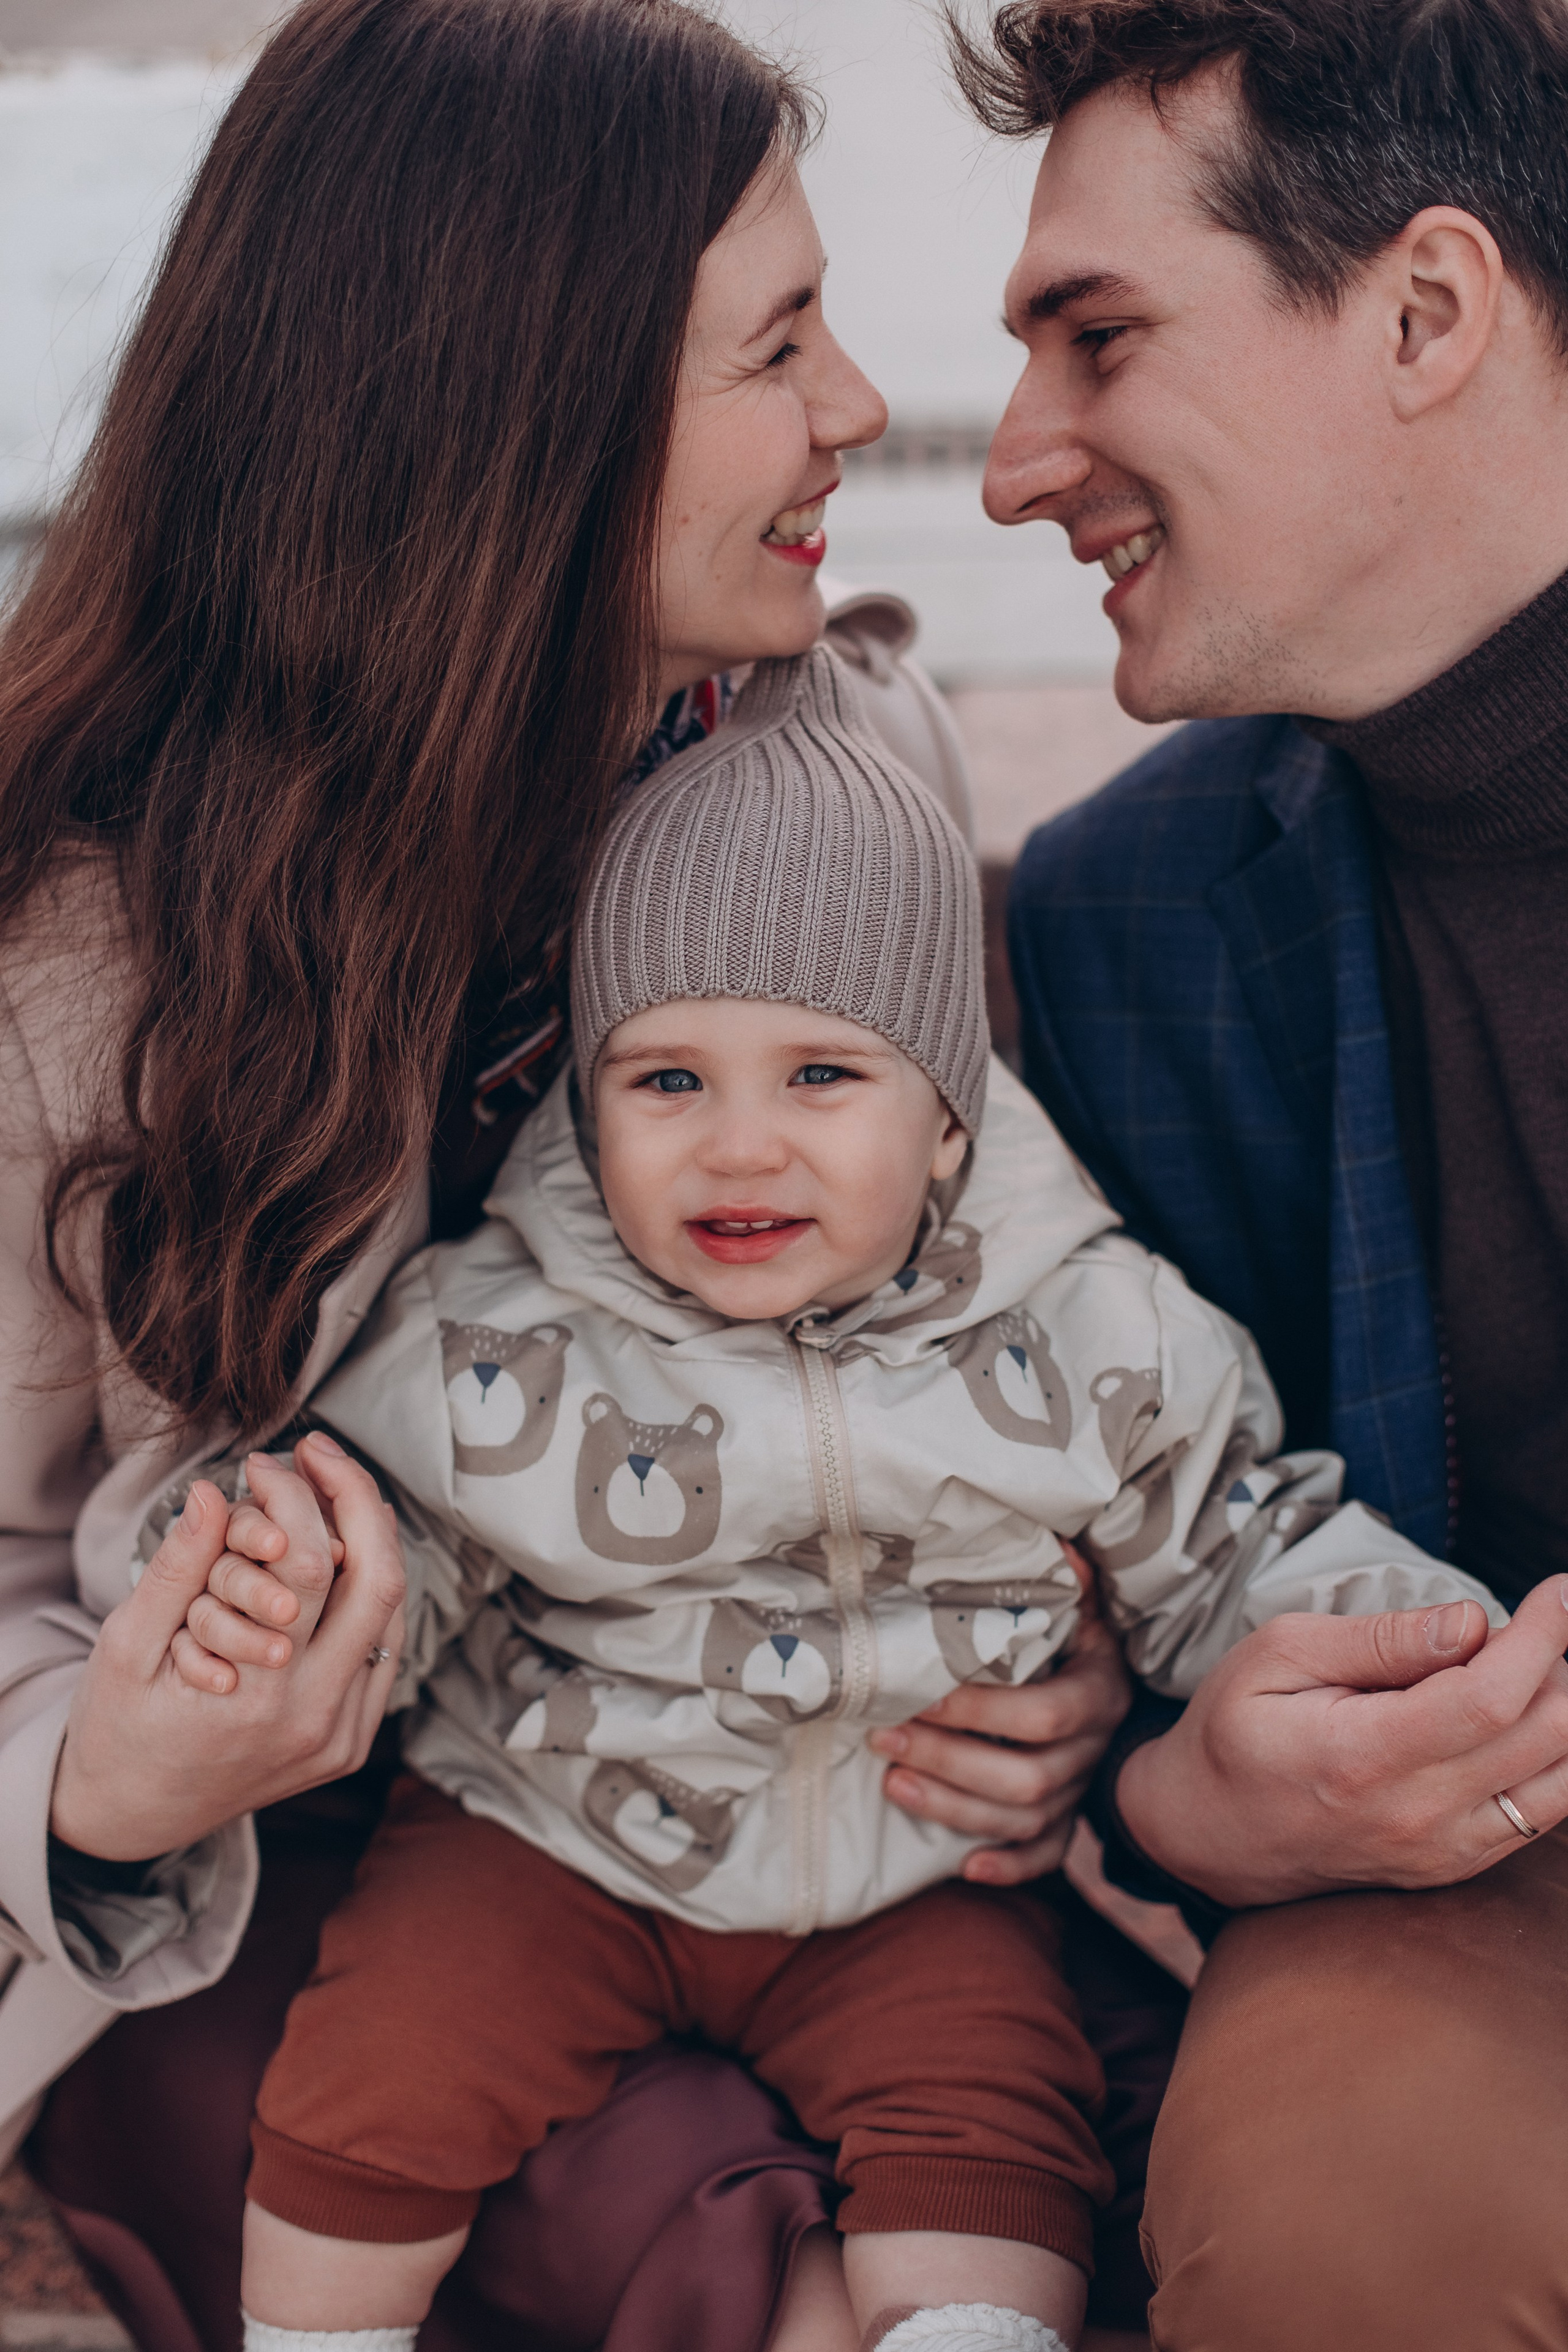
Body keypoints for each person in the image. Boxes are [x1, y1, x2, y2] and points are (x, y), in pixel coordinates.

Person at [0, 5, 1142, 2349]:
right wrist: (103, 1778)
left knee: (1059, 2169)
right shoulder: (78, 941)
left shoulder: (851, 763)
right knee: (731, 2253)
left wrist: (1073, 1666)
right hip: (302, 1893)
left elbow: (991, 1331)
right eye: (777, 345)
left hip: (818, 1806)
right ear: (512, 414)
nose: (855, 407)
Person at [165, 643, 1492, 2352]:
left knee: (994, 2123)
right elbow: (401, 1549)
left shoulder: (1089, 1330)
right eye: (667, 1081)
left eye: (820, 1077)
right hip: (548, 1832)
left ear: (947, 1120)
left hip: (913, 1862)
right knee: (376, 2070)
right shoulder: (501, 1330)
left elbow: (1232, 1529)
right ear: (588, 1102)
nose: (737, 1147)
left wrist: (1420, 1644)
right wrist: (296, 1589)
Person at [948, 0, 1568, 2340]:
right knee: (1341, 2201)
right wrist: (1185, 1802)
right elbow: (1120, 1629)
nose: (1016, 465)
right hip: (1494, 1878)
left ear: (1426, 311)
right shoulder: (1127, 918)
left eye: (1097, 338)